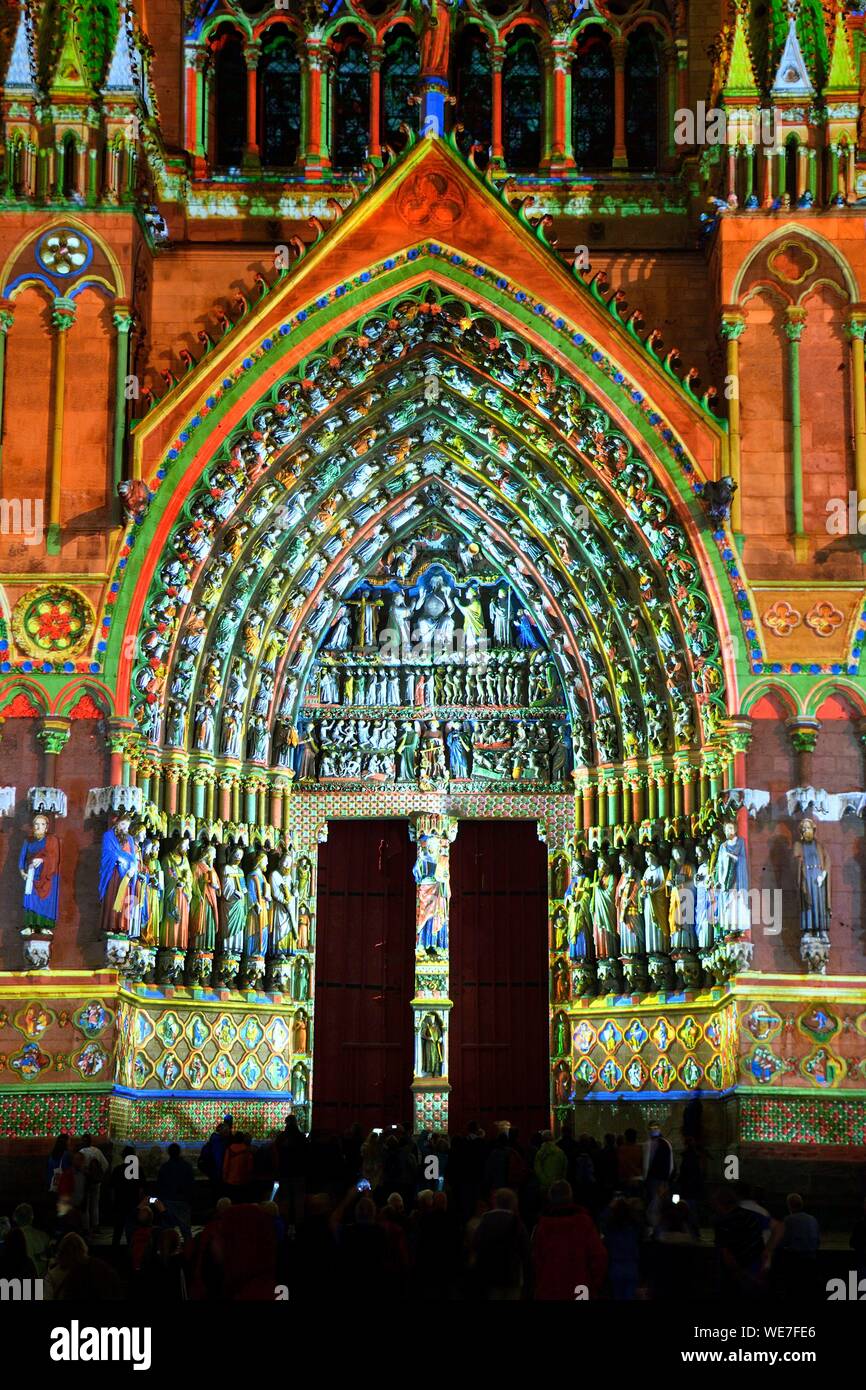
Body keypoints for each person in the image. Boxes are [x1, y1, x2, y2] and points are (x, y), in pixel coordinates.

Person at [532, 1180, 607, 1301]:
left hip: (549, 1288)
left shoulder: (542, 1226)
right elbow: (598, 1256)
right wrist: (593, 1285)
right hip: (580, 1287)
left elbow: (536, 1260)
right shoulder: (584, 1223)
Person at [471, 1188, 531, 1300]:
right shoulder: (517, 1222)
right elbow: (525, 1251)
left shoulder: (486, 1220)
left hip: (491, 1275)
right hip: (512, 1275)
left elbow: (476, 1244)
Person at [600, 1194, 642, 1300]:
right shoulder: (634, 1226)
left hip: (616, 1266)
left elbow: (602, 1222)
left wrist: (609, 1207)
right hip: (631, 1266)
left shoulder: (611, 1228)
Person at [157, 1142, 196, 1238]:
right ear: (179, 1152)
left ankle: (167, 1250)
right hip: (183, 1201)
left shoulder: (165, 1167)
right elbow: (191, 1184)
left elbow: (160, 1185)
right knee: (186, 1231)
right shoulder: (187, 1166)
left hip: (168, 1201)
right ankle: (188, 1251)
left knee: (167, 1231)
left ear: (169, 1153)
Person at [78, 1132, 109, 1232]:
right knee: (95, 1204)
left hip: (85, 1182)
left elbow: (78, 1168)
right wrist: (99, 1175)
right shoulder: (97, 1151)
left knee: (85, 1205)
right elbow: (105, 1164)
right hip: (96, 1182)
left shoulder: (81, 1152)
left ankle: (86, 1227)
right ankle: (95, 1225)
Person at [12, 1203, 50, 1277]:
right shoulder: (44, 1237)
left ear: (15, 1218)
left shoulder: (11, 1238)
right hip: (39, 1284)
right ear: (32, 1217)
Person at [643, 1123, 674, 1203]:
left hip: (653, 1178)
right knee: (663, 1202)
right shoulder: (667, 1143)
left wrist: (645, 1178)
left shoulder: (648, 1144)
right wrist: (667, 1177)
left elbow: (646, 1165)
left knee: (654, 1202)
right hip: (663, 1179)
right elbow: (671, 1165)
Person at [534, 1130, 568, 1200]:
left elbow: (537, 1169)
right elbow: (564, 1168)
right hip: (557, 1184)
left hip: (544, 1186)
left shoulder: (540, 1153)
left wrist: (544, 1181)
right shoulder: (560, 1152)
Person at [222, 1130, 254, 1202]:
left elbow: (225, 1165)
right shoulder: (247, 1150)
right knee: (241, 1201)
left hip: (231, 1180)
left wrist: (225, 1177)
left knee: (232, 1201)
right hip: (243, 1180)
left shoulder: (229, 1149)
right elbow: (249, 1167)